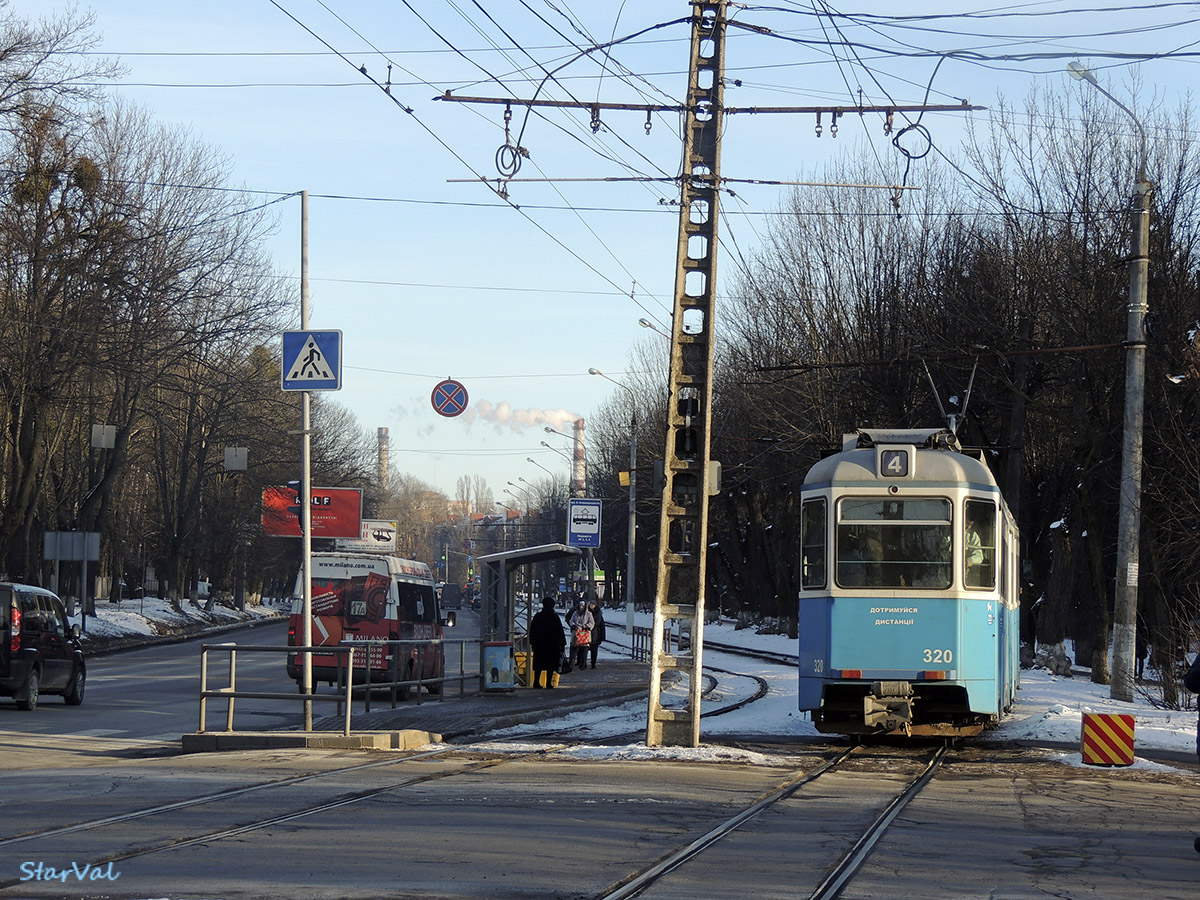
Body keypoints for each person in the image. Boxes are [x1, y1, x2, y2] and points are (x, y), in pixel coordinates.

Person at [529, 596, 565, 688]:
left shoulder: (538, 617)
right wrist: (562, 643)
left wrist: (532, 642)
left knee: (539, 664)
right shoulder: (554, 617)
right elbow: (559, 631)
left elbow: (532, 630)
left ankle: (536, 682)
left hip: (539, 644)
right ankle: (548, 683)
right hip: (552, 645)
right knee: (551, 665)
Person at [567, 599, 595, 671]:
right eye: (580, 606)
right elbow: (571, 621)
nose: (581, 607)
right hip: (576, 634)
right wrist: (573, 625)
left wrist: (586, 627)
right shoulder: (575, 613)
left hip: (585, 635)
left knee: (584, 650)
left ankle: (583, 664)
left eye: (583, 606)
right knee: (573, 649)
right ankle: (571, 664)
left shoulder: (589, 614)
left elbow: (592, 623)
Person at [587, 600, 606, 669]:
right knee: (584, 649)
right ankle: (583, 663)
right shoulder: (586, 612)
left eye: (593, 604)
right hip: (586, 634)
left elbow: (601, 626)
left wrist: (602, 636)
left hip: (596, 634)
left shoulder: (598, 614)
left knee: (594, 650)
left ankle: (593, 663)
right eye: (591, 604)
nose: (592, 606)